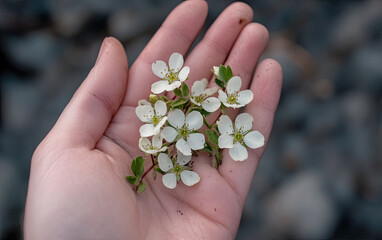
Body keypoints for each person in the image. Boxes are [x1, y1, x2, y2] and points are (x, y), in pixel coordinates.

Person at [23, 1, 282, 239]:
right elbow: (179, 131)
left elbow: (186, 127)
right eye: (238, 134)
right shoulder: (171, 134)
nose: (237, 136)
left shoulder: (190, 125)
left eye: (238, 136)